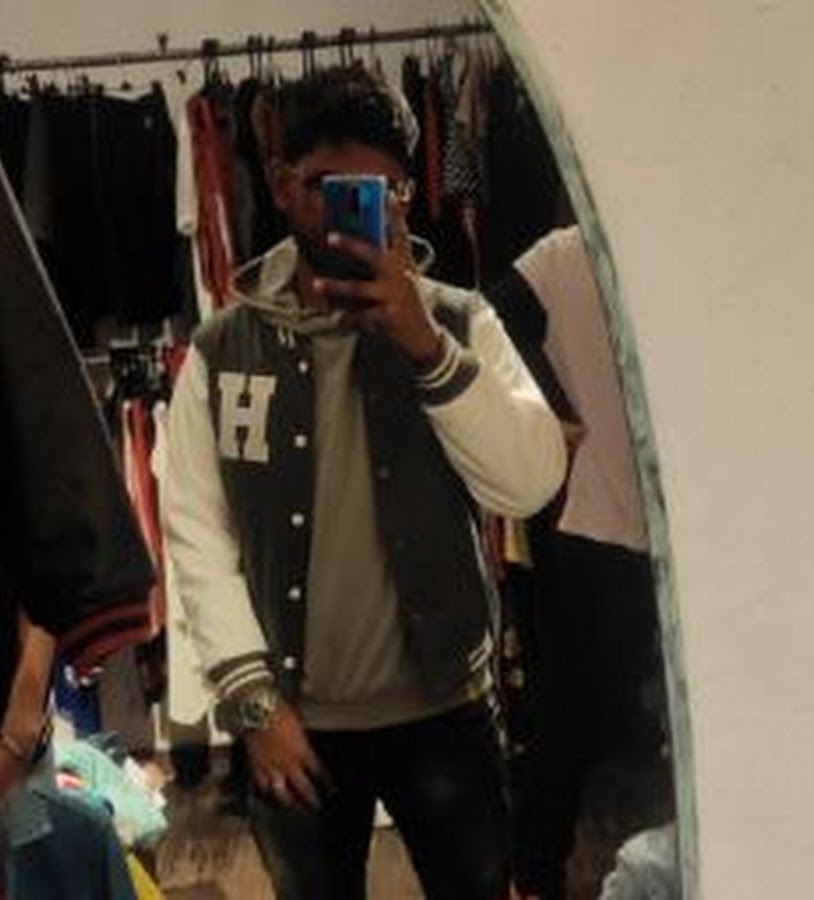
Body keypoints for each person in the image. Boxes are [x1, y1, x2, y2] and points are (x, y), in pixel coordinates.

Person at [163, 65, 567, 900]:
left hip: (445, 709)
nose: (352, 209)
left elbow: (527, 484)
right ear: (281, 185)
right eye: (328, 187)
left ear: (406, 198)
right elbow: (197, 530)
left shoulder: (459, 321)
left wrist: (428, 348)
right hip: (293, 725)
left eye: (382, 191)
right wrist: (253, 704)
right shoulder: (221, 350)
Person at [486, 226, 667, 900]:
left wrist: (545, 409)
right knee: (576, 713)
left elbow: (490, 322)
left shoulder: (569, 251)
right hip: (609, 515)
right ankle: (536, 873)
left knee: (576, 714)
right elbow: (488, 322)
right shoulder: (569, 252)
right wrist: (546, 412)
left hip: (628, 517)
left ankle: (537, 873)